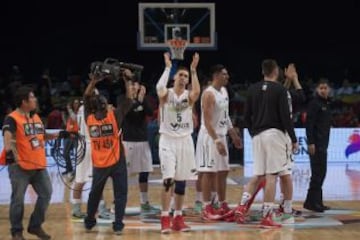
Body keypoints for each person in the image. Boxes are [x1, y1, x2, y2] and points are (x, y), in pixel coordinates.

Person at [235, 64, 304, 225]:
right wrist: (294, 139)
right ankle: (268, 215)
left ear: (262, 72)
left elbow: (246, 117)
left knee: (258, 175)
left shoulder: (252, 89)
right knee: (272, 176)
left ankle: (241, 207)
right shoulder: (280, 90)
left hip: (257, 136)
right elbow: (286, 117)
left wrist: (253, 133)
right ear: (276, 72)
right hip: (275, 135)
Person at [2, 86, 59, 240]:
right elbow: (8, 136)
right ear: (24, 101)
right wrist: (10, 152)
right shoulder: (12, 118)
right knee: (18, 199)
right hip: (20, 167)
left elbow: (42, 136)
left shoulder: (35, 117)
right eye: (32, 97)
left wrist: (60, 135)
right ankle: (17, 231)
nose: (35, 100)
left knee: (46, 193)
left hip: (38, 165)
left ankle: (35, 225)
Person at [83, 70, 134, 235]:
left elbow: (85, 97)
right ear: (105, 106)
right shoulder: (114, 116)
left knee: (95, 194)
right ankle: (118, 225)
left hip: (99, 163)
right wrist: (126, 80)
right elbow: (129, 100)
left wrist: (93, 82)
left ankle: (90, 221)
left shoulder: (89, 117)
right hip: (117, 160)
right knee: (121, 194)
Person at [156, 52, 200, 233]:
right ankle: (165, 218)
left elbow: (197, 92)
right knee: (168, 180)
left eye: (185, 77)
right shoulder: (166, 95)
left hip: (185, 141)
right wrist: (167, 67)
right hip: (167, 141)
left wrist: (193, 70)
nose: (183, 78)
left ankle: (178, 218)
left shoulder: (189, 96)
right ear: (174, 77)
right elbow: (159, 86)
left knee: (181, 183)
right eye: (180, 75)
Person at [195, 64, 242, 221]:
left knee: (223, 171)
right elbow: (207, 122)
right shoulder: (208, 94)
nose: (227, 76)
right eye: (224, 74)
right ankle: (206, 206)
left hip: (221, 135)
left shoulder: (224, 91)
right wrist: (216, 140)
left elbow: (225, 116)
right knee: (208, 172)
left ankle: (222, 203)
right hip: (209, 137)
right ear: (215, 75)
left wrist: (233, 134)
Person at [118, 79, 158, 213]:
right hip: (128, 142)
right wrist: (138, 101)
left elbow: (150, 113)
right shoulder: (122, 99)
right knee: (124, 175)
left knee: (144, 173)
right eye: (131, 85)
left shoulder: (143, 99)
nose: (134, 87)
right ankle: (118, 203)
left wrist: (142, 100)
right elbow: (129, 114)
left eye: (136, 84)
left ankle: (144, 202)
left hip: (143, 141)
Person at [303, 79, 332, 212]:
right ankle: (312, 203)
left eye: (325, 88)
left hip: (323, 143)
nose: (323, 90)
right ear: (317, 90)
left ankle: (314, 201)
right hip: (316, 144)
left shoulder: (327, 104)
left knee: (321, 173)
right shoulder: (314, 104)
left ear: (329, 89)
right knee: (317, 173)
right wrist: (311, 142)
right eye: (321, 88)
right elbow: (309, 124)